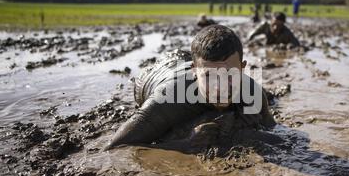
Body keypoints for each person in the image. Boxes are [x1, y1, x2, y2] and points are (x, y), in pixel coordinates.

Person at [104, 25, 275, 150]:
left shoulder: (253, 92)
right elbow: (117, 146)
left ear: (242, 68)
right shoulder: (168, 96)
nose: (220, 87)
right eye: (209, 76)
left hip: (186, 60)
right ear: (194, 72)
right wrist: (184, 145)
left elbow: (272, 128)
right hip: (153, 73)